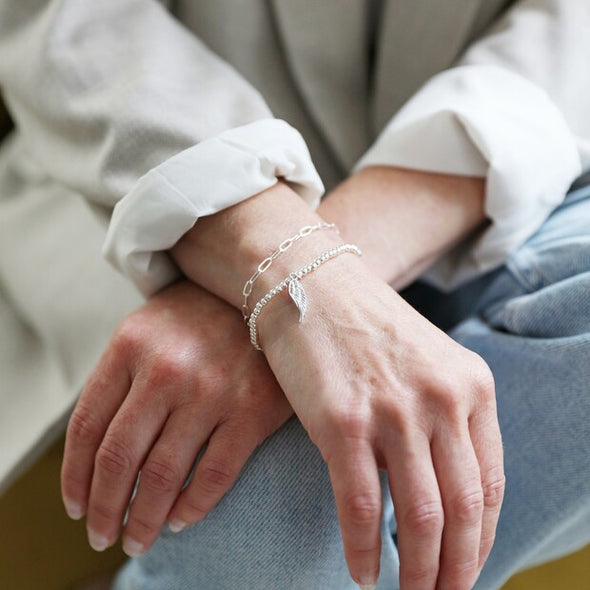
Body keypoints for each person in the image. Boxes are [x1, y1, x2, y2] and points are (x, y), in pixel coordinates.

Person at [0, 1, 589, 589]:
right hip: (142, 181)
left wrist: (306, 280)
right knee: (278, 459)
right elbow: (65, 21)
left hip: (503, 185)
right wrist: (262, 246)